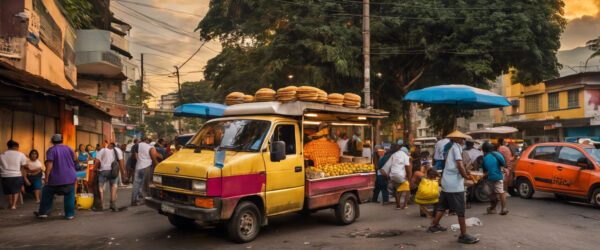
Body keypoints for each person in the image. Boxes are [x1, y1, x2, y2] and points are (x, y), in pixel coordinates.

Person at [428, 131, 479, 244]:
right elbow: (459, 165)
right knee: (460, 210)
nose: (464, 141)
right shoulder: (456, 148)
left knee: (443, 205)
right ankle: (463, 234)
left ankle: (433, 225)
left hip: (447, 182)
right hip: (454, 185)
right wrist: (466, 176)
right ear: (458, 139)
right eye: (462, 139)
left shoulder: (451, 147)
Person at [36, 134, 77, 219]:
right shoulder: (69, 148)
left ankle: (43, 212)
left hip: (56, 179)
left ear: (52, 141)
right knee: (69, 195)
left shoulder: (51, 150)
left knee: (46, 192)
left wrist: (46, 178)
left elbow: (49, 165)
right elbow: (75, 159)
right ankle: (69, 215)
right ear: (62, 140)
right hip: (70, 177)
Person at [481, 142, 509, 215]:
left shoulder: (484, 158)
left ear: (484, 150)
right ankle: (503, 209)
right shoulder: (498, 155)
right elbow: (504, 164)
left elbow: (484, 170)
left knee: (492, 194)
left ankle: (493, 209)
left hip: (489, 178)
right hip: (498, 176)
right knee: (501, 192)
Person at [95, 142, 124, 211]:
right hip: (114, 171)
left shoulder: (102, 150)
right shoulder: (118, 150)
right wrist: (123, 172)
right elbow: (121, 161)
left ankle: (101, 205)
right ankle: (113, 204)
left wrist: (95, 169)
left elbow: (97, 161)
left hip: (103, 171)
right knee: (114, 186)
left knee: (101, 187)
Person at [0, 140, 28, 210]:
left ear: (8, 146)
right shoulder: (20, 154)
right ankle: (13, 205)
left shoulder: (2, 155)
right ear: (17, 147)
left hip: (5, 175)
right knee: (16, 190)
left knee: (8, 191)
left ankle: (10, 203)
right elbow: (25, 165)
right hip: (16, 175)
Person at [131, 137, 159, 206]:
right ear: (146, 140)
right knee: (145, 184)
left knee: (136, 184)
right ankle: (144, 199)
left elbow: (135, 156)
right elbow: (153, 156)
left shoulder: (137, 145)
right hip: (146, 166)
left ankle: (133, 200)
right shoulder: (150, 147)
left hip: (138, 167)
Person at [384, 145, 411, 209]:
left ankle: (398, 205)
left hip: (392, 175)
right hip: (399, 175)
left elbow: (389, 166)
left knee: (398, 189)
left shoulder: (393, 155)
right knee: (408, 189)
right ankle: (404, 205)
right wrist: (409, 178)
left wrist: (388, 175)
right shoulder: (405, 155)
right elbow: (407, 168)